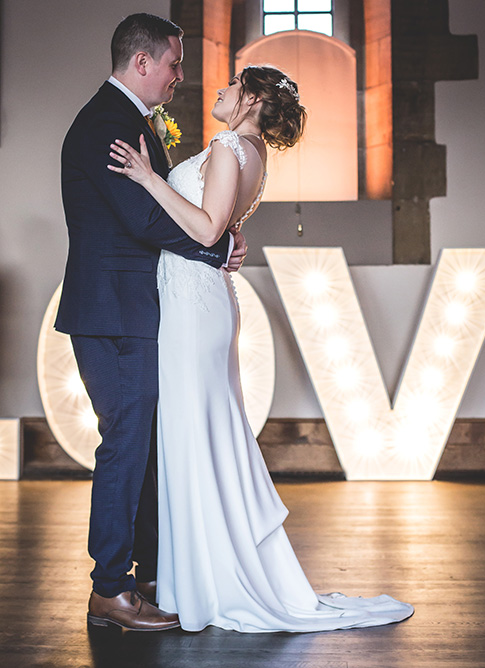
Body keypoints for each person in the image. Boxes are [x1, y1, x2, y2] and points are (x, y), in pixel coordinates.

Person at [108, 65, 415, 632]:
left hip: (193, 309)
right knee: (201, 434)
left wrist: (151, 179)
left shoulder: (228, 145)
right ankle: (194, 575)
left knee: (193, 435)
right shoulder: (253, 153)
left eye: (231, 85)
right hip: (201, 301)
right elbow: (222, 230)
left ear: (249, 99)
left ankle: (200, 581)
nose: (220, 91)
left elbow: (205, 231)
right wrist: (223, 234)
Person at [55, 13, 246, 632]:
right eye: (174, 62)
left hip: (130, 309)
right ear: (142, 63)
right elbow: (141, 219)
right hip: (114, 313)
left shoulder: (126, 120)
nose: (179, 75)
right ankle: (110, 589)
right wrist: (215, 250)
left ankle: (147, 572)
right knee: (126, 444)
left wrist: (212, 243)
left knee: (143, 442)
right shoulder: (108, 124)